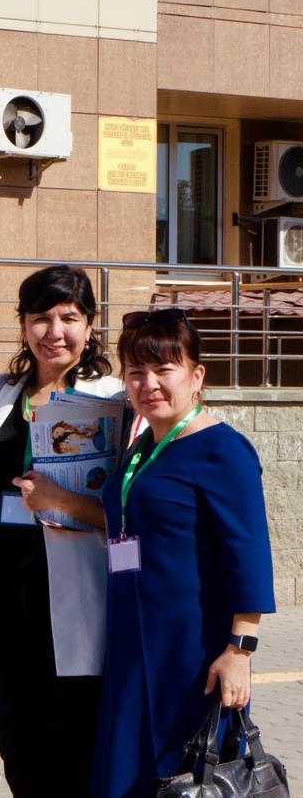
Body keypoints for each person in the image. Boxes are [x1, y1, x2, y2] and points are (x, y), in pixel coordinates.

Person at [93, 309, 274, 797]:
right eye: (136, 371)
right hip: (132, 646)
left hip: (193, 657)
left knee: (193, 781)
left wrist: (239, 651)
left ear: (196, 376)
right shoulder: (141, 448)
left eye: (163, 369)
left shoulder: (223, 450)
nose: (148, 383)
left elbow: (249, 556)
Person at [0, 265, 117, 797]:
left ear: (90, 325)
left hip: (82, 592)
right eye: (41, 318)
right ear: (23, 325)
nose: (55, 331)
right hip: (12, 596)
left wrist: (62, 502)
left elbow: (129, 507)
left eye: (69, 318)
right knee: (19, 745)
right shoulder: (2, 393)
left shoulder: (113, 397)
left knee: (77, 746)